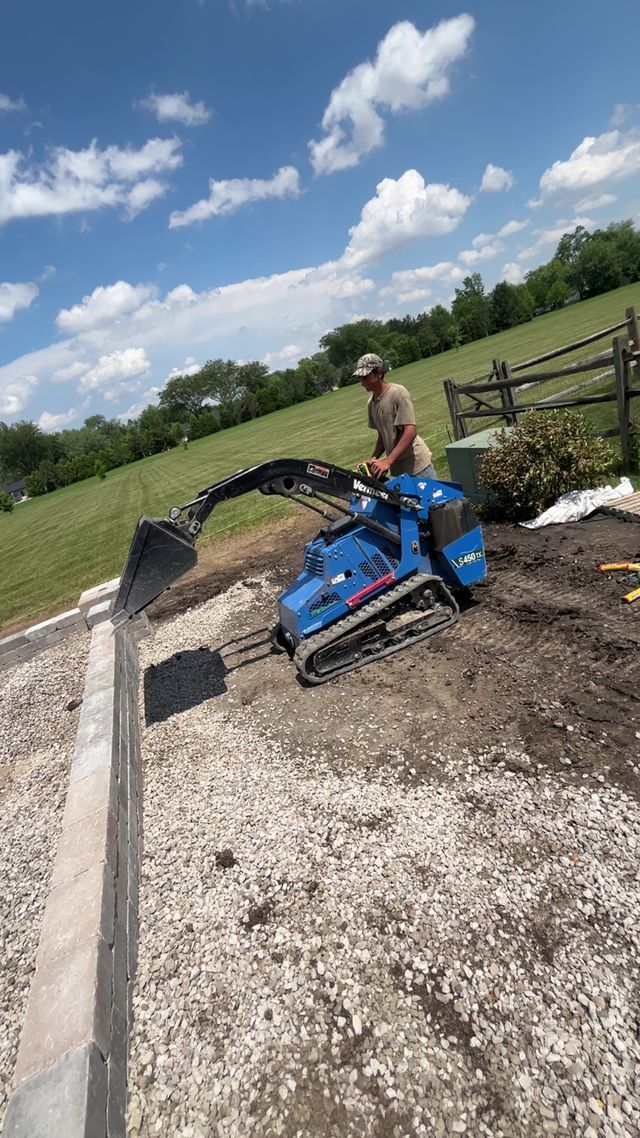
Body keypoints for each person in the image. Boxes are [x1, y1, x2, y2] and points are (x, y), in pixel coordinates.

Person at [353, 353, 437, 480]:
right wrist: (373, 459)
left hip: (417, 466)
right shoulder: (371, 403)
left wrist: (388, 461)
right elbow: (382, 434)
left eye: (365, 377)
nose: (362, 383)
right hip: (398, 469)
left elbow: (410, 431)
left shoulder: (398, 393)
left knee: (437, 500)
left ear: (379, 373)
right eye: (360, 378)